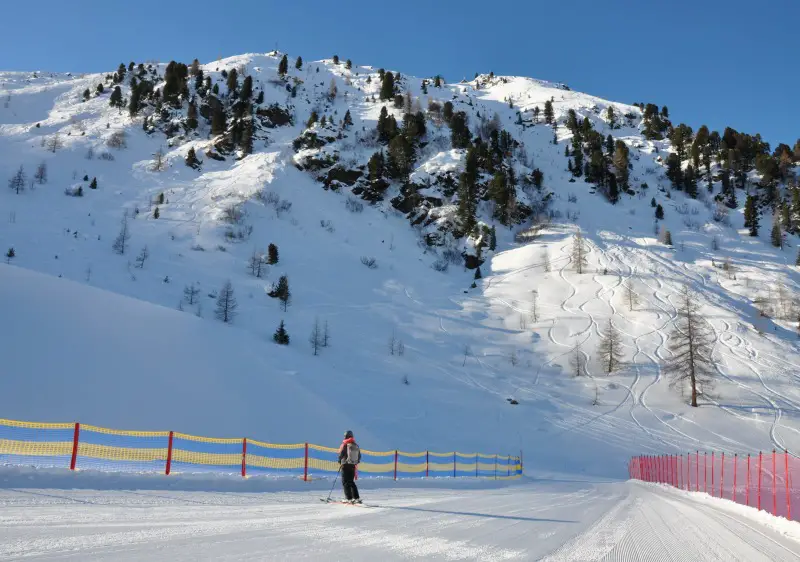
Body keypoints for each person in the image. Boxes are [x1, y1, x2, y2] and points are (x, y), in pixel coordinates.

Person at [338, 430, 361, 503]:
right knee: (351, 482)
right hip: (353, 465)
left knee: (345, 482)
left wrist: (339, 461)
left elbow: (341, 454)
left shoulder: (345, 444)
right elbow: (359, 456)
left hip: (345, 465)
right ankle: (356, 498)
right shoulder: (355, 445)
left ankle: (348, 498)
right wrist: (355, 462)